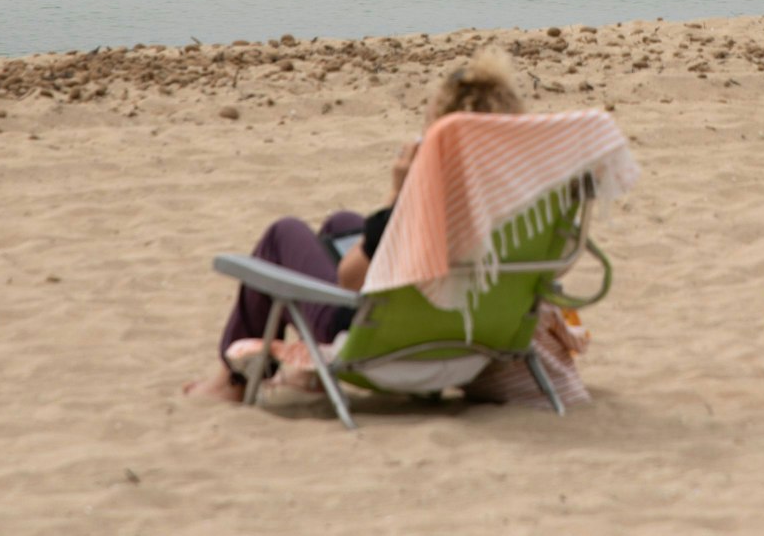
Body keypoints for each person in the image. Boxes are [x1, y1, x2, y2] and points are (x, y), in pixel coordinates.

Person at [184, 47, 528, 401]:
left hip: (391, 342)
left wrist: (399, 194)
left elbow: (351, 279)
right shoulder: (521, 206)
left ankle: (233, 381)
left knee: (282, 235)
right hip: (476, 339)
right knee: (341, 224)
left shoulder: (422, 207)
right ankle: (308, 375)